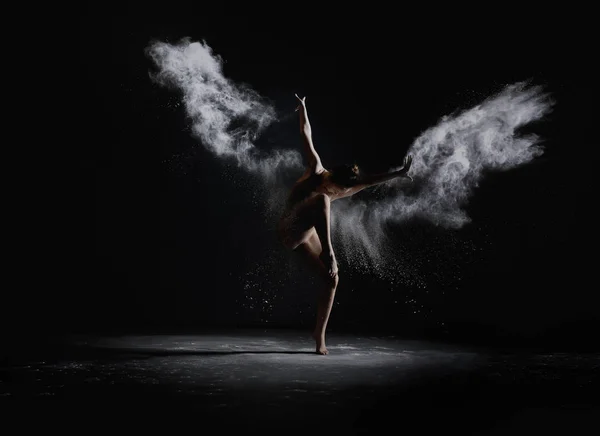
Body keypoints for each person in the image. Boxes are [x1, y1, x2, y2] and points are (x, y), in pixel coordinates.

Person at [278, 94, 413, 355]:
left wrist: (397, 173)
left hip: (307, 235)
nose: (334, 191)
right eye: (332, 185)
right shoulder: (317, 171)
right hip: (290, 229)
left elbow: (370, 180)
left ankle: (319, 334)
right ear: (329, 176)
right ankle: (330, 253)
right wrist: (303, 109)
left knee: (332, 279)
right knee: (322, 202)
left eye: (339, 190)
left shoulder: (342, 189)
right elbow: (307, 135)